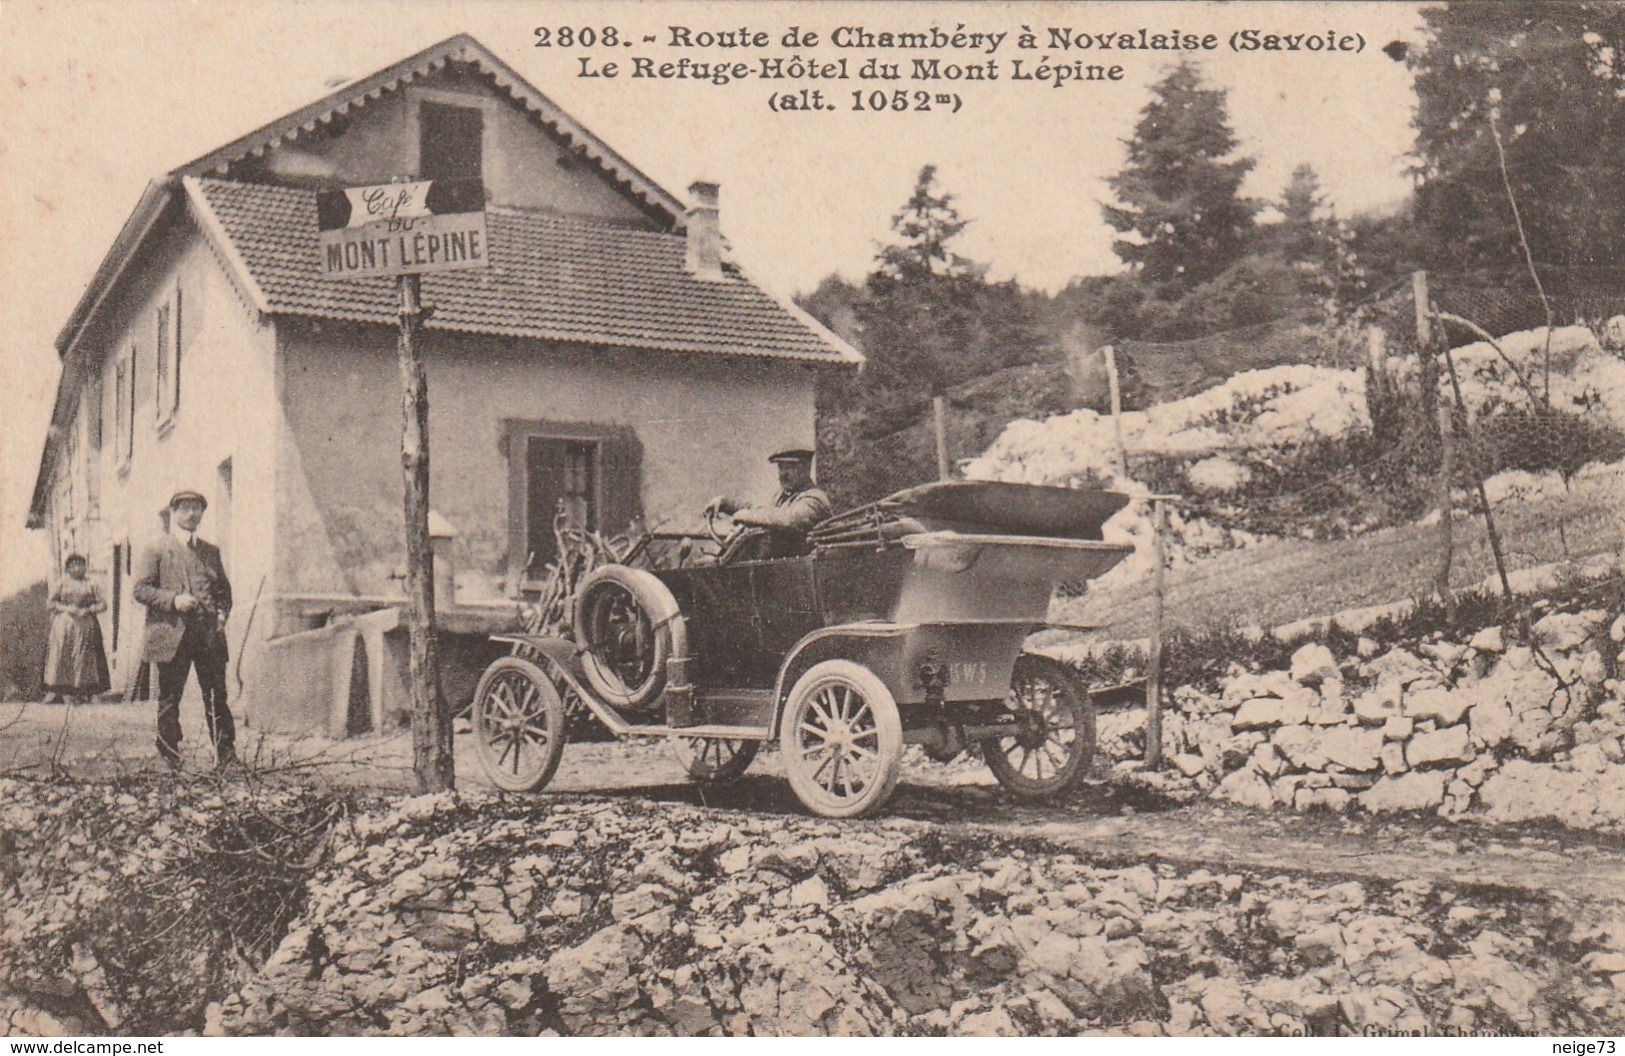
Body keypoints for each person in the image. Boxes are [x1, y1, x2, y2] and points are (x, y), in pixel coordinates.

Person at [134, 489, 235, 770]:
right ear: (173, 513)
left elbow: (224, 592)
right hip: (172, 635)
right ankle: (168, 756)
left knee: (217, 697)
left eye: (197, 508)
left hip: (208, 636)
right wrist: (173, 600)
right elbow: (140, 589)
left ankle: (226, 756)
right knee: (169, 699)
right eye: (186, 508)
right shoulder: (156, 549)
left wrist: (223, 614)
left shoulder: (210, 551)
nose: (192, 514)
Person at [704, 448, 832, 559]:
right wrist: (726, 504)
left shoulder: (814, 499)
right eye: (781, 467)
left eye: (790, 467)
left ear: (805, 468)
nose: (783, 474)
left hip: (797, 574)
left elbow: (789, 519)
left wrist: (747, 516)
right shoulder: (783, 496)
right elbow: (763, 511)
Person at [42, 554, 110, 705]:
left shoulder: (90, 584)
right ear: (68, 568)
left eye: (80, 565)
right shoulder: (62, 583)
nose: (77, 568)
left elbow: (103, 604)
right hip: (64, 624)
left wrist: (89, 609)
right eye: (74, 565)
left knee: (85, 656)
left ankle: (86, 692)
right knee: (62, 655)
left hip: (85, 623)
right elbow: (50, 603)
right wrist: (66, 608)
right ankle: (58, 691)